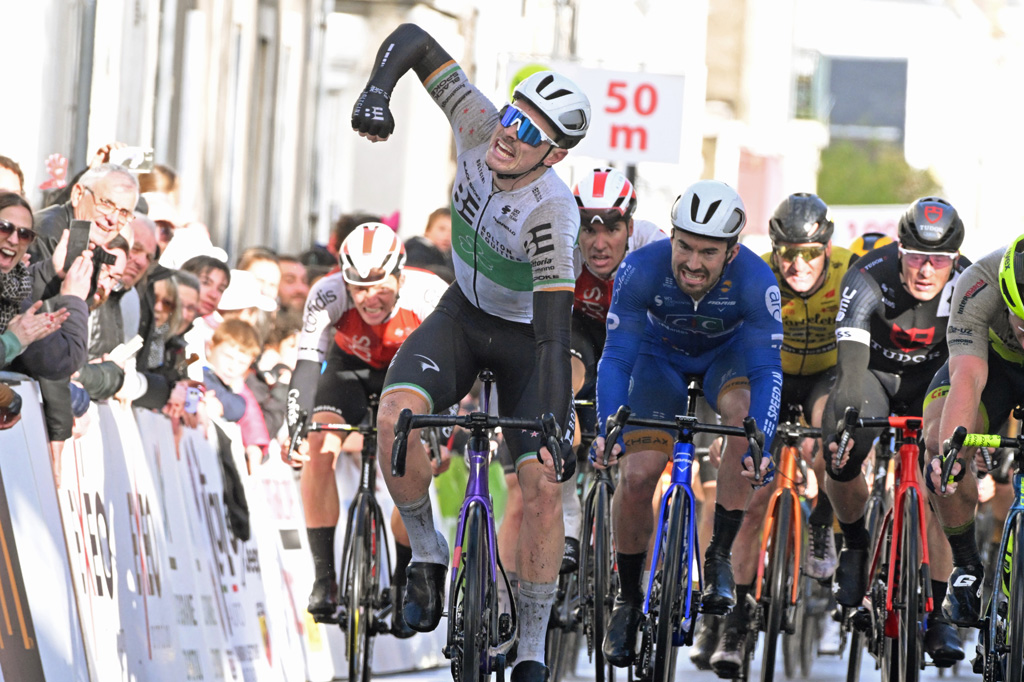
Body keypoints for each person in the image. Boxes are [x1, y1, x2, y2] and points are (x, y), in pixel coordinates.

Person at [350, 22, 591, 681]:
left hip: (526, 339)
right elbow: (415, 39)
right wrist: (379, 91)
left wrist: (553, 413)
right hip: (462, 314)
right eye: (515, 114)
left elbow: (551, 329)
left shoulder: (553, 215)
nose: (512, 133)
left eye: (533, 132)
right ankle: (426, 554)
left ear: (555, 156)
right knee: (395, 422)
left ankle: (535, 647)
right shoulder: (480, 123)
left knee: (542, 482)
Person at [593, 179, 782, 677]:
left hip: (728, 359)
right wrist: (606, 425)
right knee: (636, 478)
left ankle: (718, 553)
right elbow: (616, 356)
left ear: (732, 251)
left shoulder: (755, 281)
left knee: (745, 424)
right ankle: (628, 598)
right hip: (660, 361)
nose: (693, 263)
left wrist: (760, 440)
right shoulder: (640, 268)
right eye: (685, 246)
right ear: (671, 236)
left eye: (708, 252)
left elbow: (767, 371)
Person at [284, 222, 449, 639]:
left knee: (409, 461)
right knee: (319, 446)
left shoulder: (428, 294)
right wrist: (294, 425)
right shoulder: (327, 293)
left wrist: (441, 434)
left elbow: (449, 368)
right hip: (349, 373)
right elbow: (307, 365)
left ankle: (399, 578)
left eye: (379, 286)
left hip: (407, 376)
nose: (368, 298)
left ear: (399, 275)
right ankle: (325, 579)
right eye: (358, 288)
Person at [823, 196, 968, 666]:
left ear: (954, 259)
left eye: (939, 260)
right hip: (874, 376)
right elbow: (848, 371)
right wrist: (844, 422)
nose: (927, 270)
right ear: (899, 249)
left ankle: (943, 610)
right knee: (841, 454)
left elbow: (971, 367)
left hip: (934, 381)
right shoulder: (869, 276)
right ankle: (855, 544)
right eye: (916, 257)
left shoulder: (967, 285)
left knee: (944, 474)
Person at [921, 233, 1024, 633]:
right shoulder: (978, 284)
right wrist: (951, 456)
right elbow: (967, 378)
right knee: (939, 443)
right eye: (1022, 324)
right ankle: (965, 565)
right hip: (991, 369)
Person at [404, 207, 454, 282]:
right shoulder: (416, 251)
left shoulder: (451, 258)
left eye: (452, 231)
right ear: (428, 230)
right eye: (442, 229)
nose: (447, 235)